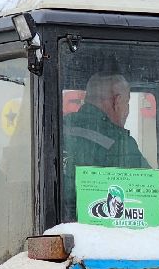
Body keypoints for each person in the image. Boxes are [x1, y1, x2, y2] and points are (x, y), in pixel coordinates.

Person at [62, 72, 153, 214]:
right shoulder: (119, 144)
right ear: (116, 101)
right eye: (126, 103)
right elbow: (157, 197)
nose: (127, 110)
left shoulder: (60, 127)